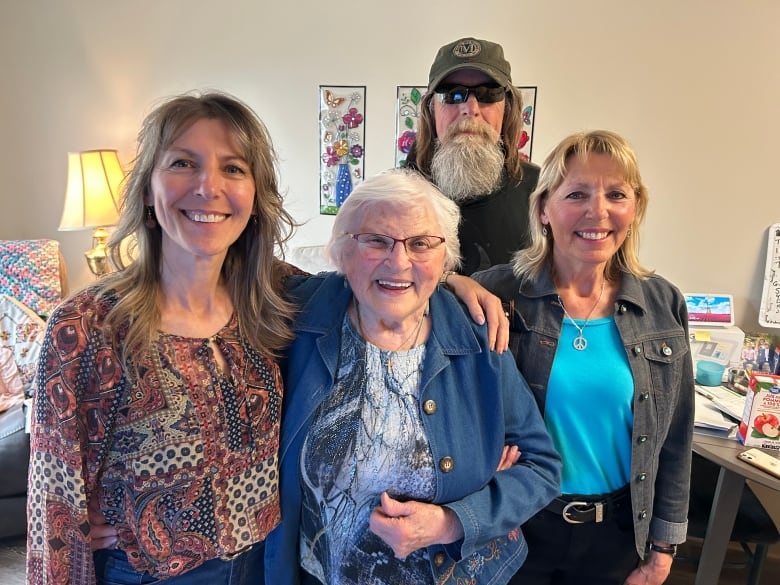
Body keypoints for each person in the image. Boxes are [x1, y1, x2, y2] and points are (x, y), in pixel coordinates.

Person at [29, 92, 511, 585]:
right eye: (182, 163)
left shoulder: (278, 294)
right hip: (150, 575)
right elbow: (54, 518)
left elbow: (377, 279)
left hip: (268, 563)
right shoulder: (86, 327)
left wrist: (450, 281)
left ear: (256, 196)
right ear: (148, 190)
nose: (208, 186)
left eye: (233, 168)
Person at [263, 169, 561, 584]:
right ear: (342, 253)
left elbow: (542, 467)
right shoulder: (300, 316)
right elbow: (233, 260)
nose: (399, 261)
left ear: (444, 260)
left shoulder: (478, 337)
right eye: (377, 241)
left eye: (421, 243)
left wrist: (451, 522)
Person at [472, 130, 694, 585]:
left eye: (616, 194)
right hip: (517, 524)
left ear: (634, 210)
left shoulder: (662, 305)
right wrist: (453, 284)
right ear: (543, 210)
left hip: (615, 534)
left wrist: (663, 551)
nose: (598, 211)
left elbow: (674, 438)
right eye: (577, 194)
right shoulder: (497, 293)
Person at [404, 36, 540, 275]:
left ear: (508, 106)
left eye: (488, 93)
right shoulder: (395, 193)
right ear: (430, 108)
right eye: (452, 94)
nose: (470, 108)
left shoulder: (540, 190)